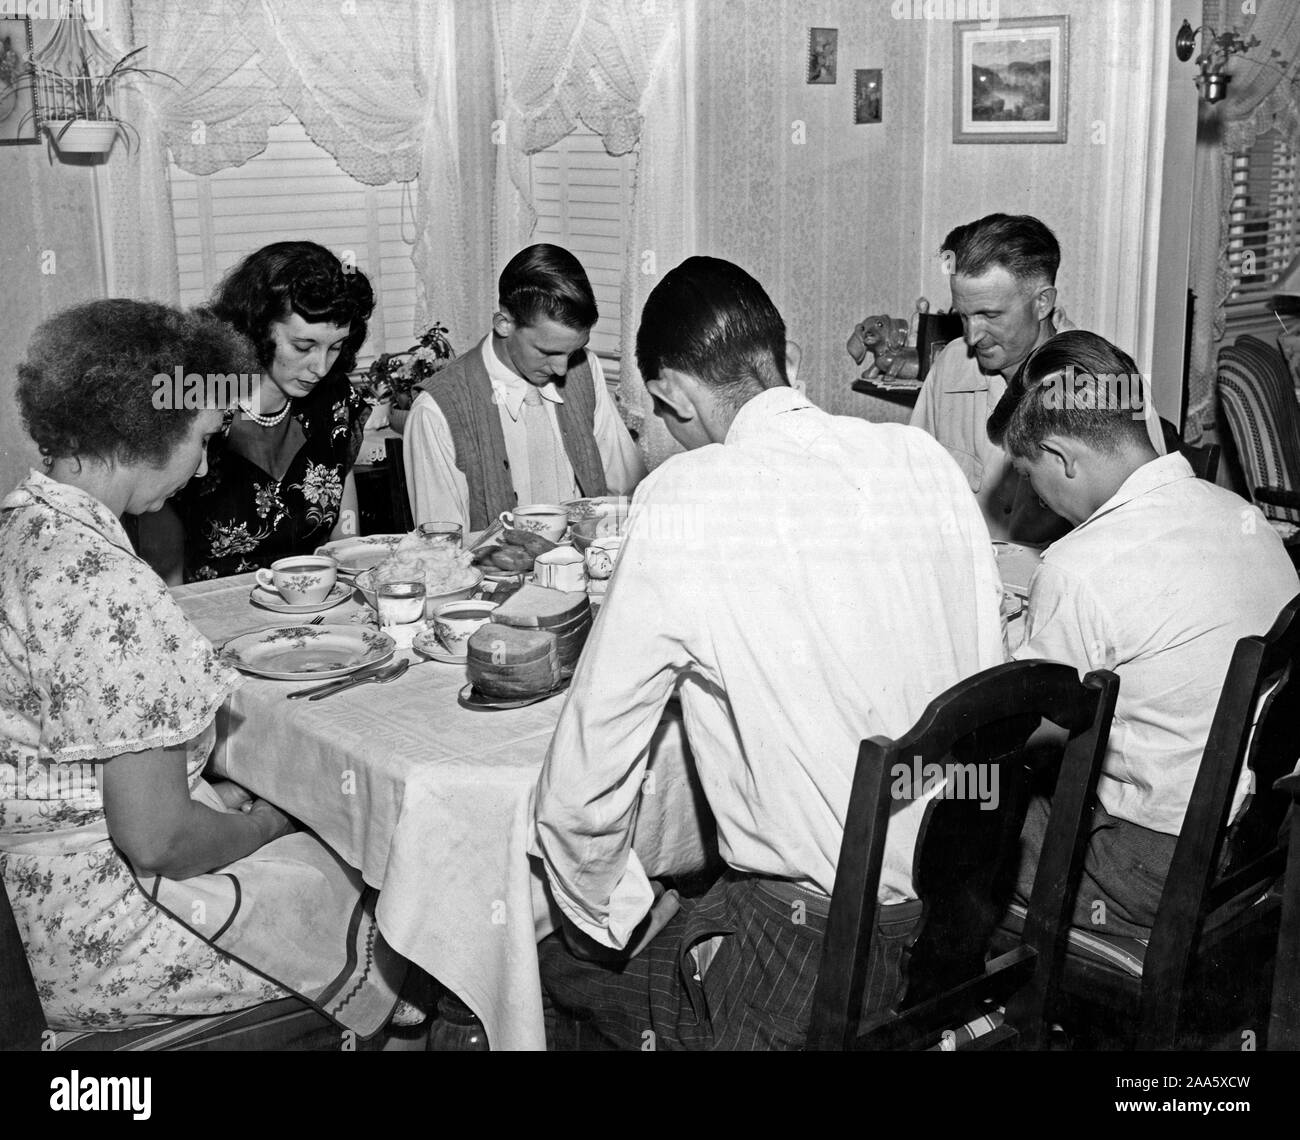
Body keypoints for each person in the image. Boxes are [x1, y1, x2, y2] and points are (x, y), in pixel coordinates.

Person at [532, 256, 1005, 1050]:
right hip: (959, 924)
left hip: (810, 962)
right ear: (785, 361)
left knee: (523, 967)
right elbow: (985, 694)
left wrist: (617, 917)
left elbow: (580, 790)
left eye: (659, 418)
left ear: (674, 393)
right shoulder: (922, 460)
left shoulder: (687, 497)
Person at [0, 300, 404, 1032]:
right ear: (147, 432)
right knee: (404, 910)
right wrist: (263, 828)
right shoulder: (104, 583)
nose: (208, 461)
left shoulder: (22, 524)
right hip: (105, 933)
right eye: (205, 436)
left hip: (34, 903)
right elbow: (158, 839)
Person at [996, 330, 1298, 937]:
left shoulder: (1079, 566)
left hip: (1155, 869)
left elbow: (1024, 730)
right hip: (1262, 842)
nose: (1031, 493)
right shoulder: (1243, 516)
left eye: (1029, 474)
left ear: (1061, 458)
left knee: (942, 819)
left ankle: (984, 1016)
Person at [909, 213, 1165, 542]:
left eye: (990, 315)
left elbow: (1147, 522)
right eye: (964, 315)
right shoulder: (951, 364)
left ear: (1042, 302)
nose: (973, 336)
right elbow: (913, 486)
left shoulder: (1109, 381)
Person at [141, 241, 376, 582]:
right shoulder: (197, 402)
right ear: (258, 326)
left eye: (335, 347)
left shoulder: (335, 402)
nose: (321, 367)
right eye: (303, 346)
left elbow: (345, 542)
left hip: (310, 609)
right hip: (213, 613)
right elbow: (162, 563)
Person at [402, 243, 645, 532]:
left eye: (572, 351)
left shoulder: (585, 367)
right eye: (547, 351)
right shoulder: (435, 412)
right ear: (504, 324)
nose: (562, 369)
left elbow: (627, 491)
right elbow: (441, 548)